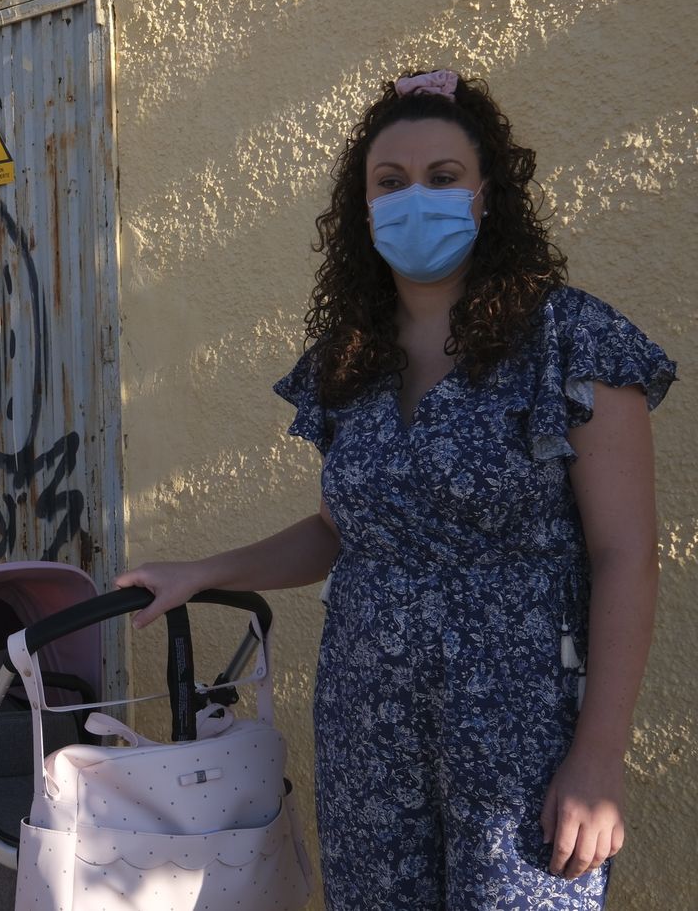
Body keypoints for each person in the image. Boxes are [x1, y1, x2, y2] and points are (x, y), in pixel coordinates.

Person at [118, 70, 675, 910]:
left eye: (443, 177)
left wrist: (599, 756)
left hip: (522, 731)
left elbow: (625, 555)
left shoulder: (572, 340)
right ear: (365, 208)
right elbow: (340, 532)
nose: (416, 198)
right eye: (391, 182)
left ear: (487, 196)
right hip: (367, 728)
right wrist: (200, 573)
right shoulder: (349, 362)